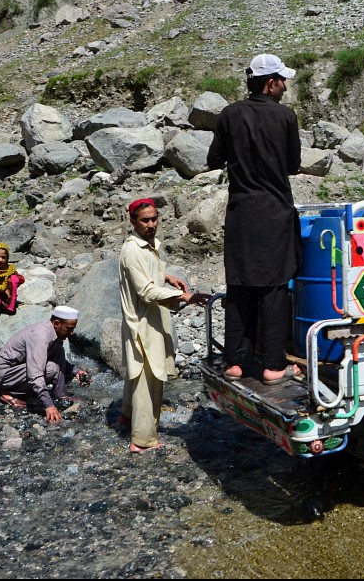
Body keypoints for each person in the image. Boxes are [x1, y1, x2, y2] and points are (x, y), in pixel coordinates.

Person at [206, 53, 303, 386]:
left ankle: (235, 362)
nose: (285, 87)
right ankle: (274, 366)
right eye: (282, 81)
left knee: (240, 284)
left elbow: (213, 158)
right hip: (275, 212)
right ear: (270, 82)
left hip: (241, 214)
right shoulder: (285, 117)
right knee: (274, 287)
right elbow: (292, 165)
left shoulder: (230, 115)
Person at [118, 198, 208, 453]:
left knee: (137, 372)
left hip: (149, 317)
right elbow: (146, 290)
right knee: (149, 377)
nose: (151, 224)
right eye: (145, 220)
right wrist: (184, 297)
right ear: (133, 221)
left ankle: (125, 416)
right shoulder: (133, 250)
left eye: (154, 219)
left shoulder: (150, 245)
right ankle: (143, 441)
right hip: (143, 321)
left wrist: (166, 276)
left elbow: (149, 275)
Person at [0, 306, 88, 423]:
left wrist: (76, 371)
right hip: (6, 374)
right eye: (69, 329)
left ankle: (60, 395)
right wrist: (48, 405)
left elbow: (53, 357)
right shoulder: (40, 336)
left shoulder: (55, 333)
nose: (72, 333)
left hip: (21, 369)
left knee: (59, 351)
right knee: (52, 369)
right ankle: (4, 392)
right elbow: (35, 373)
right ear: (56, 323)